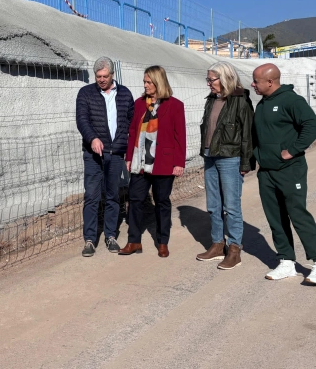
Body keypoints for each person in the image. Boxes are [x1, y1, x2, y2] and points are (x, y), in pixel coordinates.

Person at [250, 63, 316, 285]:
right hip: (266, 172)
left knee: (297, 215)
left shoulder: (291, 100)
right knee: (275, 218)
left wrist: (293, 150)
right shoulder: (262, 104)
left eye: (256, 81)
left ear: (270, 81)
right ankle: (286, 261)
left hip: (289, 170)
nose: (252, 84)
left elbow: (312, 125)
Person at [118, 66, 186, 258]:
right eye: (144, 82)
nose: (145, 85)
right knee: (135, 199)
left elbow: (180, 136)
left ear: (158, 82)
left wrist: (178, 162)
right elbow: (133, 132)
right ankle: (134, 241)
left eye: (149, 82)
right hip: (140, 162)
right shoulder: (140, 104)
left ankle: (162, 242)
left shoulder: (175, 105)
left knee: (162, 201)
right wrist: (129, 157)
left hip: (164, 162)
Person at [195, 61, 255, 270]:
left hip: (231, 158)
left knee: (231, 206)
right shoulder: (212, 100)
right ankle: (217, 244)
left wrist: (246, 162)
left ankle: (234, 249)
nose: (209, 84)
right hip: (210, 156)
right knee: (213, 205)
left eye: (211, 79)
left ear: (224, 78)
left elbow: (248, 134)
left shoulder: (240, 100)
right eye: (208, 79)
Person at [75, 57, 135, 257]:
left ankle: (111, 236)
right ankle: (90, 239)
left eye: (105, 76)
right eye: (98, 76)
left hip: (116, 154)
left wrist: (126, 145)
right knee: (92, 197)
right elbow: (82, 119)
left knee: (112, 196)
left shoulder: (125, 94)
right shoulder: (86, 93)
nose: (101, 80)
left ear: (112, 75)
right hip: (93, 155)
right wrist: (92, 138)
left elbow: (131, 121)